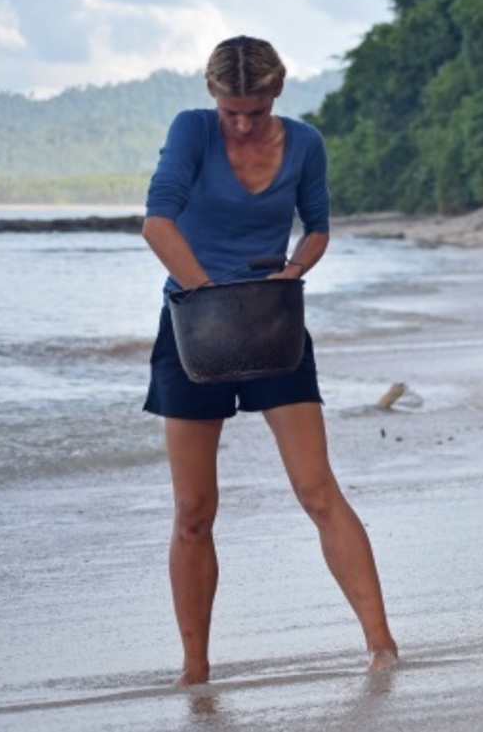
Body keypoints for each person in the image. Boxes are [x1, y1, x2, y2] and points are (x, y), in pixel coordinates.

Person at [141, 35, 398, 686]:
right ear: (213, 98)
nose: (244, 122)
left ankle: (382, 645)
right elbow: (158, 222)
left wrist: (294, 269)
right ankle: (194, 669)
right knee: (194, 508)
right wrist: (206, 294)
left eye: (255, 110)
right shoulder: (192, 131)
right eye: (232, 110)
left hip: (273, 322)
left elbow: (317, 225)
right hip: (193, 330)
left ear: (277, 93)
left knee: (318, 489)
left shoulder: (305, 142)